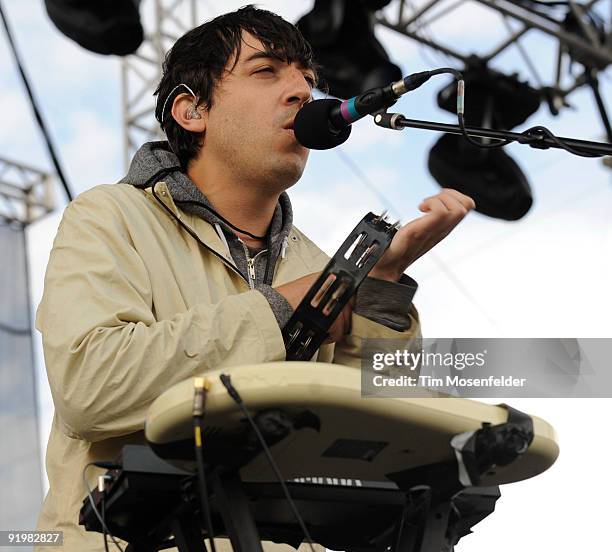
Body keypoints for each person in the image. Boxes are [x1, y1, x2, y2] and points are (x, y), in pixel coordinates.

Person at [35, 6, 475, 551]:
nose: (301, 92)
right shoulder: (109, 215)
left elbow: (380, 441)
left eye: (308, 80)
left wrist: (381, 289)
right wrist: (286, 307)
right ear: (192, 110)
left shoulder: (319, 263)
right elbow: (91, 385)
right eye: (267, 71)